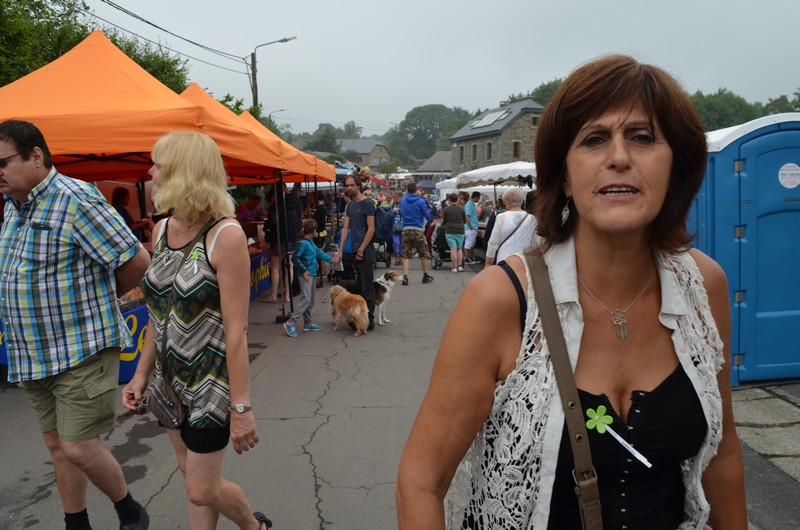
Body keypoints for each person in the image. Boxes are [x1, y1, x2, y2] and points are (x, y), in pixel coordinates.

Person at [396, 54, 748, 529]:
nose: (619, 157)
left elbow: (722, 454)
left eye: (643, 137)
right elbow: (421, 480)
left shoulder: (704, 286)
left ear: (676, 167)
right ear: (563, 176)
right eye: (594, 139)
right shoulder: (501, 300)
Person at [0, 120, 152, 530]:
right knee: (57, 445)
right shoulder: (14, 205)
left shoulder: (76, 199)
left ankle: (131, 512)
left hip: (80, 348)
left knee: (78, 447)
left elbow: (137, 262)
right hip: (33, 352)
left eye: (3, 162)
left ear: (36, 156)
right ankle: (76, 523)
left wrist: (97, 302)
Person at [122, 132, 271, 530]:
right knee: (191, 476)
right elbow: (158, 313)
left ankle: (253, 527)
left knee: (202, 489)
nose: (150, 173)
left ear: (183, 172)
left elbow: (237, 331)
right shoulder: (161, 230)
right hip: (168, 381)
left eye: (158, 165)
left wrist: (241, 408)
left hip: (210, 386)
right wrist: (140, 374)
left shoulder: (226, 235)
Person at [333, 173, 376, 330]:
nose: (349, 188)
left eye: (352, 185)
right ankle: (359, 317)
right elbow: (346, 228)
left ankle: (369, 320)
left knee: (367, 287)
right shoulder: (350, 206)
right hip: (353, 251)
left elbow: (371, 229)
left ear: (358, 185)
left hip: (366, 251)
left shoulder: (367, 203)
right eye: (347, 185)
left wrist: (361, 249)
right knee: (358, 286)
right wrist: (340, 251)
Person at [283, 219, 334, 337]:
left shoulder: (309, 242)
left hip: (311, 273)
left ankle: (307, 322)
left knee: (309, 300)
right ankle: (291, 322)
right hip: (306, 274)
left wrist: (332, 260)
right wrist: (304, 270)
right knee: (306, 299)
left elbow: (319, 253)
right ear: (314, 230)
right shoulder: (303, 243)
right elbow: (295, 258)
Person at [262, 185, 302, 303]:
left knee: (275, 268)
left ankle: (273, 295)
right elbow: (297, 224)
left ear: (275, 196)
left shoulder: (274, 207)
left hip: (278, 240)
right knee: (289, 267)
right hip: (291, 241)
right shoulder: (291, 207)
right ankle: (287, 296)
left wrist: (266, 229)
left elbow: (271, 223)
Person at [484, 187, 537, 266]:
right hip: (524, 261)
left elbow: (493, 243)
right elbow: (535, 242)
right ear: (522, 201)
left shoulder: (501, 217)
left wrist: (488, 263)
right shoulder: (532, 218)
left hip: (505, 260)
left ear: (506, 202)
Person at [399, 181, 434, 286]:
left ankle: (405, 277)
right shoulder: (420, 201)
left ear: (407, 189)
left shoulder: (402, 200)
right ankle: (425, 275)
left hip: (406, 228)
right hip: (418, 229)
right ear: (416, 190)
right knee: (423, 254)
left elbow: (401, 212)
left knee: (406, 255)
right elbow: (428, 216)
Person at [441, 193, 466, 273]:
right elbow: (464, 221)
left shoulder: (446, 209)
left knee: (453, 249)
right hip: (460, 230)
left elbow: (444, 221)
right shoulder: (462, 209)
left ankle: (454, 267)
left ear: (449, 200)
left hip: (450, 230)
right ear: (457, 199)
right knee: (459, 248)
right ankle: (460, 266)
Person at [462, 191, 480, 264]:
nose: (479, 199)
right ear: (476, 197)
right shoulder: (469, 204)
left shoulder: (471, 204)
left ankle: (470, 257)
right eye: (479, 197)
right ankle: (466, 258)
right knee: (468, 244)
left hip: (472, 227)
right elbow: (467, 216)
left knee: (471, 244)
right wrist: (471, 226)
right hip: (470, 228)